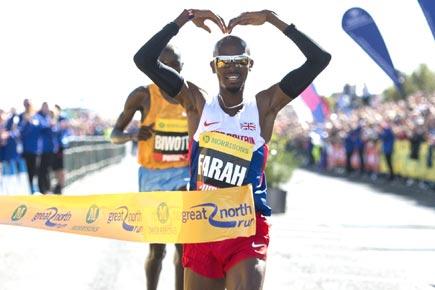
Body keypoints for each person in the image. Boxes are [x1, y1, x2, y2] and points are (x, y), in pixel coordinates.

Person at [134, 9, 331, 290]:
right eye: (224, 61)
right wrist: (183, 19)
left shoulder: (264, 106)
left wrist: (273, 20)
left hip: (246, 228)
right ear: (214, 66)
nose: (232, 67)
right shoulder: (197, 103)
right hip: (203, 227)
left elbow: (319, 60)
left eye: (239, 60)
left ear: (250, 64)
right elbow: (144, 59)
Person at [111, 45, 189, 290]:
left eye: (174, 67)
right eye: (163, 68)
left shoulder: (192, 96)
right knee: (157, 249)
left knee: (183, 246)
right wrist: (133, 134)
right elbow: (114, 134)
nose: (169, 73)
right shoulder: (143, 95)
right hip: (152, 178)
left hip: (182, 177)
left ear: (181, 68)